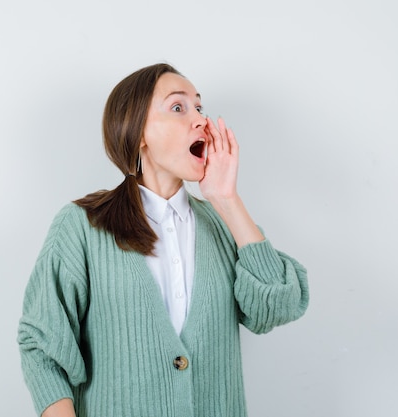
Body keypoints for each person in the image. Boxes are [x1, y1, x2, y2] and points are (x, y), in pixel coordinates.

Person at [17, 63, 309, 417]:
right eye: (178, 107)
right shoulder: (82, 226)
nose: (201, 119)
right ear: (139, 132)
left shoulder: (221, 223)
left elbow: (276, 307)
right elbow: (42, 345)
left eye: (199, 106)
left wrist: (227, 200)